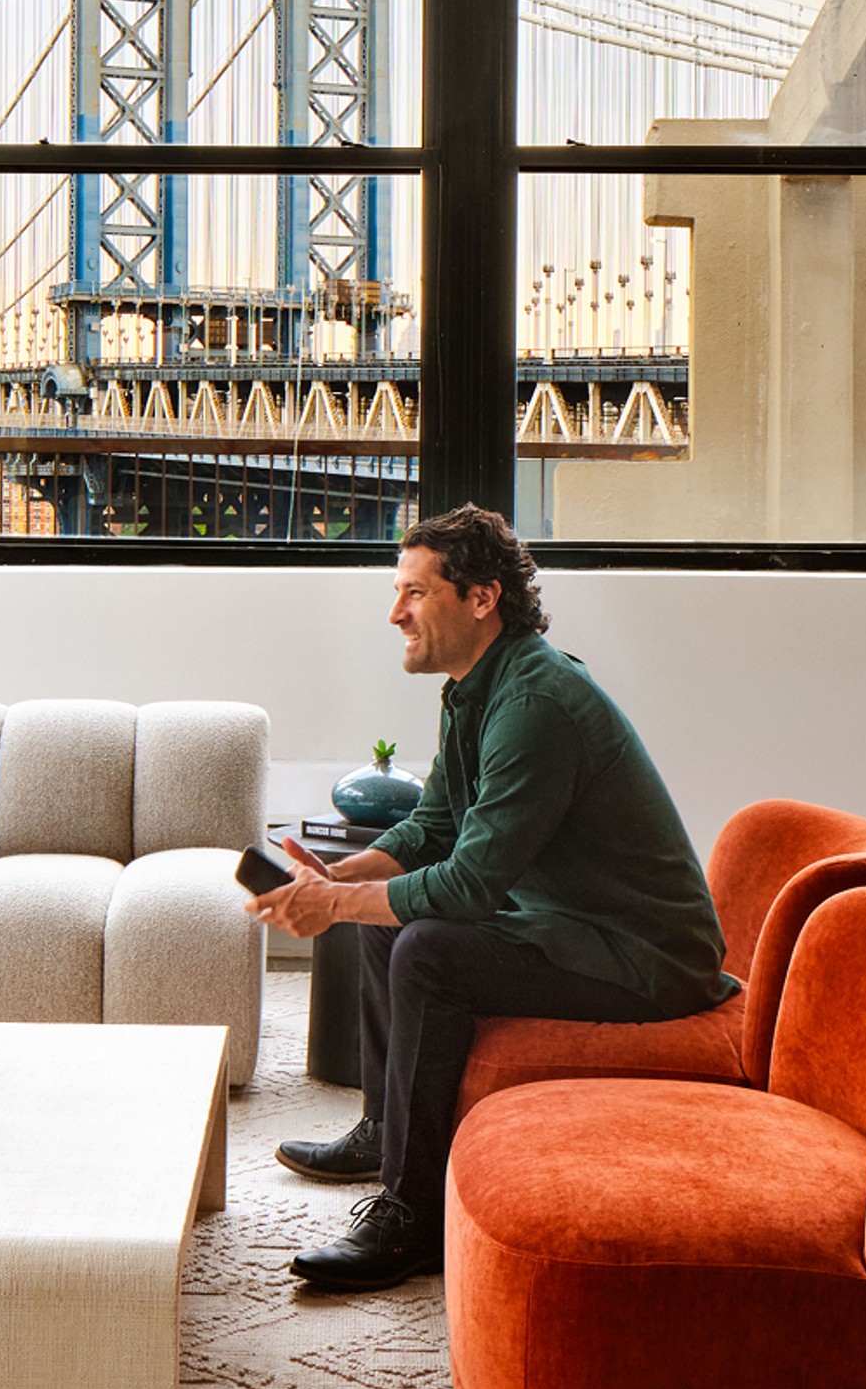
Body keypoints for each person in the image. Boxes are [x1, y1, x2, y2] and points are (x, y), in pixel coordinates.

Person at [244, 507, 732, 1291]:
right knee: (385, 908)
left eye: (415, 593)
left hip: (642, 956)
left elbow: (470, 886)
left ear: (481, 598)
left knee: (430, 947)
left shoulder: (537, 707)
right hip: (566, 923)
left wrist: (334, 907)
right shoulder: (478, 687)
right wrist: (340, 882)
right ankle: (384, 1129)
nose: (394, 613)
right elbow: (434, 824)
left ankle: (411, 1220)